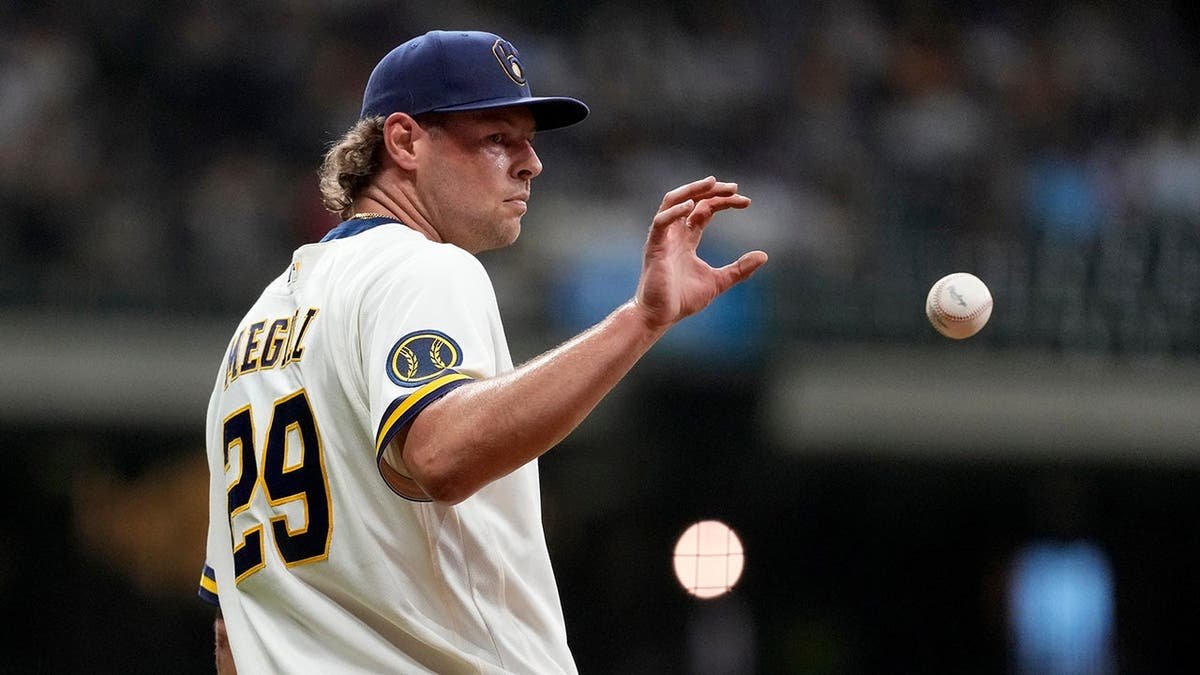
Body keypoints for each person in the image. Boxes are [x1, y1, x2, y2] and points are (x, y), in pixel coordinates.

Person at [198, 28, 767, 674]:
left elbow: (229, 637)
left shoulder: (254, 331)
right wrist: (640, 319)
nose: (532, 162)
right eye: (498, 137)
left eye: (528, 139)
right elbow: (441, 453)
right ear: (406, 141)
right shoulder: (422, 269)